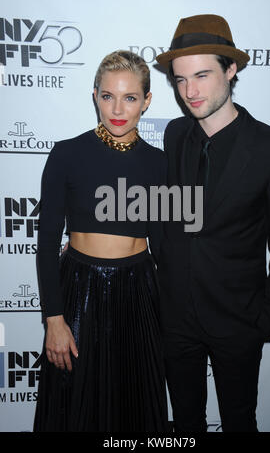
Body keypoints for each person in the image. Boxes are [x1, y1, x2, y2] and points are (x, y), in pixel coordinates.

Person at [155, 14, 270, 432]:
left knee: (239, 421)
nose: (190, 92)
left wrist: (264, 322)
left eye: (201, 75)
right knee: (184, 422)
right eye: (180, 80)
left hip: (238, 321)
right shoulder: (175, 135)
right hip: (175, 317)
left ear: (231, 69)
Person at [34, 50, 169, 432]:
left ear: (147, 100)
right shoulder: (66, 154)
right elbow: (46, 245)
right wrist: (54, 319)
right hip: (80, 288)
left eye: (129, 97)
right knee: (74, 405)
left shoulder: (160, 164)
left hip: (139, 290)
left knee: (135, 403)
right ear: (95, 95)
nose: (117, 108)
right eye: (108, 96)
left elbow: (163, 245)